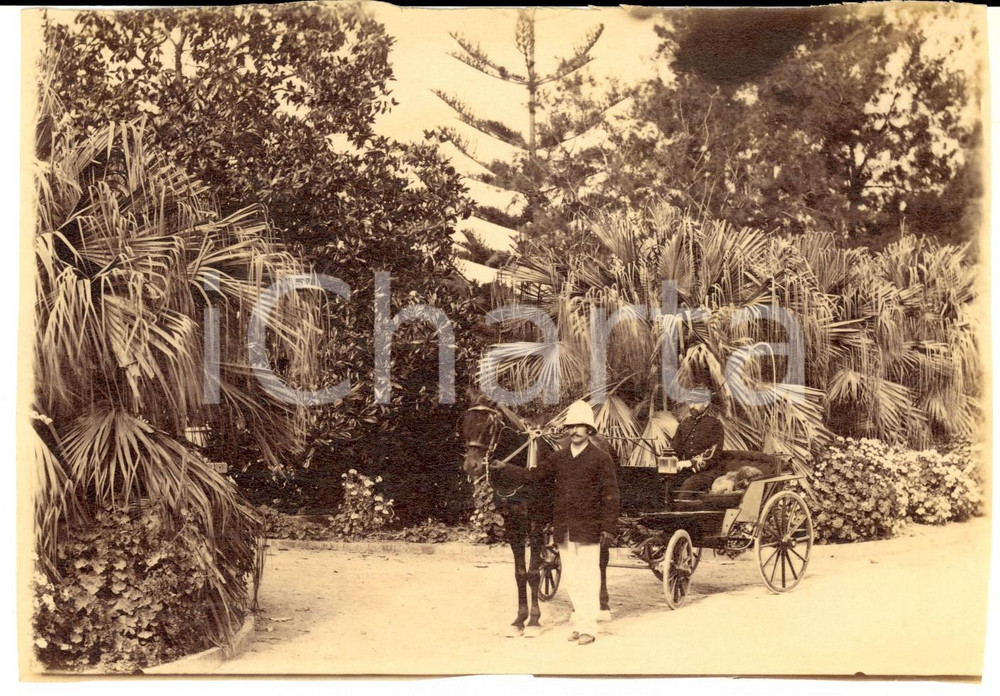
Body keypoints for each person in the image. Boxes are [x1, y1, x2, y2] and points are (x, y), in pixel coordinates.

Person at [492, 400, 620, 646]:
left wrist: (608, 528)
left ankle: (588, 628)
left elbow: (611, 495)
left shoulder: (600, 457)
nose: (575, 431)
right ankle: (579, 622)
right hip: (565, 527)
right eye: (571, 426)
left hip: (590, 526)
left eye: (580, 427)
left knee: (589, 576)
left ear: (589, 430)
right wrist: (506, 468)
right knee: (572, 576)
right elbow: (534, 475)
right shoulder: (559, 457)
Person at [668, 388, 727, 505]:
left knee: (689, 484)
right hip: (688, 471)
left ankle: (678, 519)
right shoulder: (684, 423)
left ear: (706, 403)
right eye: (690, 402)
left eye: (695, 402)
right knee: (663, 481)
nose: (691, 406)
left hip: (709, 472)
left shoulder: (715, 424)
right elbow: (675, 448)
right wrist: (673, 458)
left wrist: (690, 462)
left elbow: (713, 453)